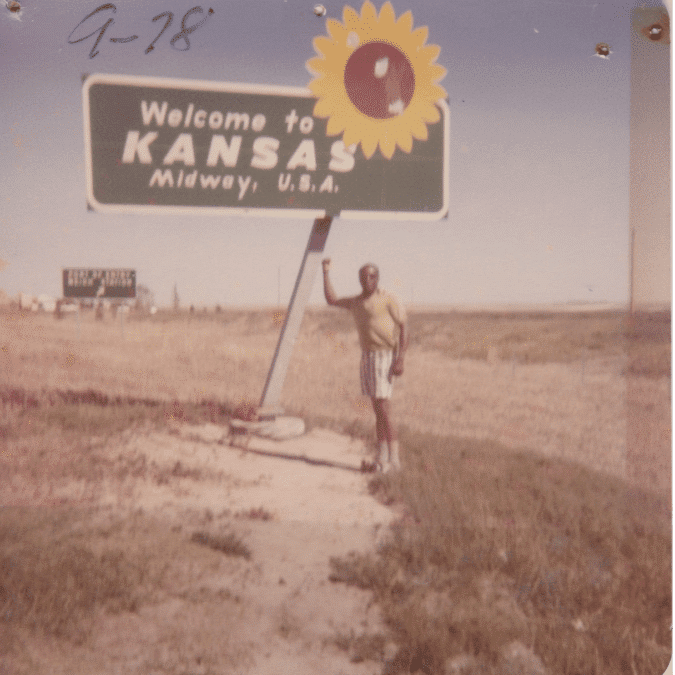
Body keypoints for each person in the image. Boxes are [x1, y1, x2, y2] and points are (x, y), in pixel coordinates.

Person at [322, 258, 408, 473]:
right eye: (363, 277)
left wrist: (400, 358)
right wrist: (325, 272)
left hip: (385, 356)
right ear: (359, 279)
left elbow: (405, 328)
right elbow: (331, 299)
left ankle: (395, 461)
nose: (367, 280)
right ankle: (382, 456)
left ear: (377, 278)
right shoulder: (356, 302)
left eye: (372, 276)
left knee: (385, 409)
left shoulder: (389, 299)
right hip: (368, 357)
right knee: (377, 409)